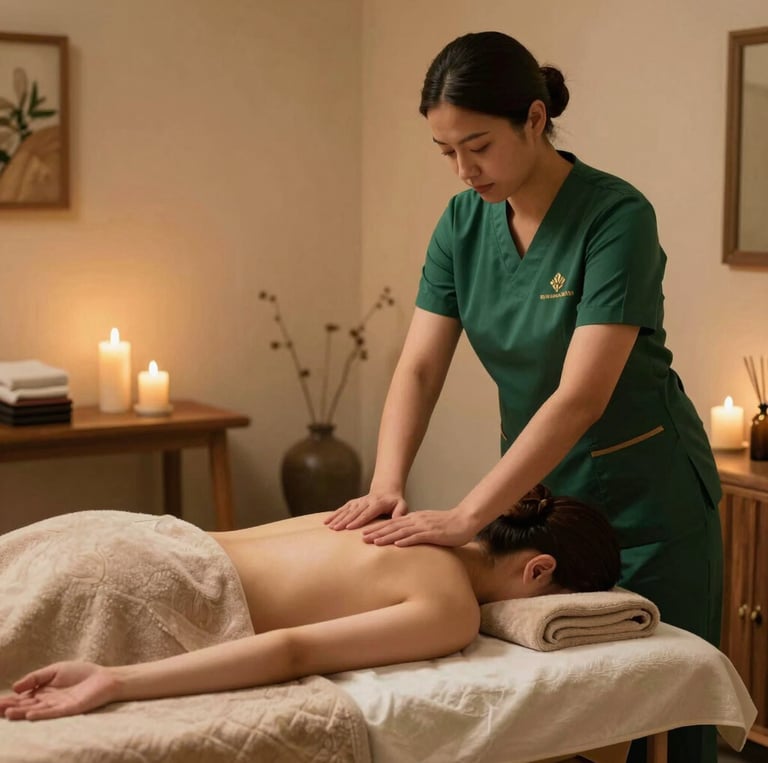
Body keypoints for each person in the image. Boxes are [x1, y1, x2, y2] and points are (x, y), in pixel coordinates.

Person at [325, 31, 723, 763]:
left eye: (477, 145)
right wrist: (387, 484)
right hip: (538, 501)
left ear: (535, 120)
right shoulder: (462, 223)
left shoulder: (616, 218)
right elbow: (419, 367)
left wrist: (467, 515)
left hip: (646, 502)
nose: (463, 169)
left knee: (658, 719)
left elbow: (581, 396)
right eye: (446, 151)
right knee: (555, 714)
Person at [0, 486, 619, 722]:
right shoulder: (451, 606)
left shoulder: (385, 513)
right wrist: (115, 680)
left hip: (123, 529)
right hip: (141, 585)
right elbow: (293, 651)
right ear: (539, 570)